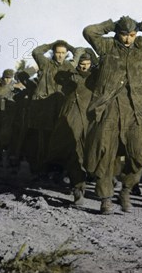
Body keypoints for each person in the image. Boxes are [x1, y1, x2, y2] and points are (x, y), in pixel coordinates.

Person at [83, 16, 142, 214]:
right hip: (109, 107)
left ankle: (126, 189)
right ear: (117, 34)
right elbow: (89, 31)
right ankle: (105, 199)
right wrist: (112, 25)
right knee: (105, 153)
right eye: (124, 35)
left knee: (139, 154)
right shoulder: (106, 46)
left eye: (131, 35)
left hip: (136, 109)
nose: (128, 39)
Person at [47, 51, 97, 206]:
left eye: (87, 64)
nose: (84, 67)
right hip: (73, 119)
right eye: (82, 64)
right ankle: (78, 189)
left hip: (91, 119)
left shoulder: (96, 78)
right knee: (75, 154)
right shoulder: (70, 77)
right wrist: (74, 65)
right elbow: (59, 77)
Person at [28, 40, 78, 175]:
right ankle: (42, 171)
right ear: (53, 53)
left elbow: (79, 53)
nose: (60, 55)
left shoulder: (70, 67)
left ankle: (59, 171)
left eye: (63, 53)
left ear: (66, 53)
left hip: (63, 108)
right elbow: (36, 52)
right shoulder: (46, 63)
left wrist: (70, 46)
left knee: (61, 140)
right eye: (57, 52)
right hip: (46, 108)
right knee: (44, 140)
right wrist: (51, 45)